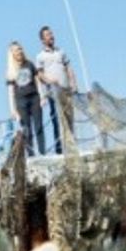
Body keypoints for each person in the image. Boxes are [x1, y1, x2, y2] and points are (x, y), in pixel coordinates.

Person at [35, 26, 78, 155]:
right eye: (48, 35)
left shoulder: (61, 52)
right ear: (42, 39)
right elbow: (40, 75)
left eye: (52, 34)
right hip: (53, 93)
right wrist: (50, 81)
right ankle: (59, 149)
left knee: (70, 117)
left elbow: (68, 68)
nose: (51, 36)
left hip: (66, 90)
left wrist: (74, 83)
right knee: (56, 120)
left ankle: (72, 145)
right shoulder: (40, 56)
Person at [6, 41, 45, 156]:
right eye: (16, 50)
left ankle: (42, 152)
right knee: (26, 129)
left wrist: (42, 96)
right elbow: (10, 92)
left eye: (20, 49)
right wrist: (13, 110)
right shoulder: (10, 70)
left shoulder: (29, 64)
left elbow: (37, 81)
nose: (19, 51)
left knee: (39, 126)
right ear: (12, 53)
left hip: (34, 97)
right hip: (21, 101)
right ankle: (31, 154)